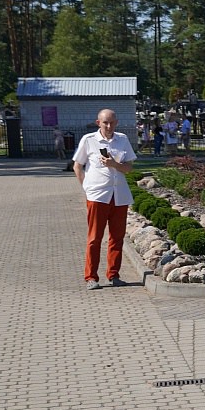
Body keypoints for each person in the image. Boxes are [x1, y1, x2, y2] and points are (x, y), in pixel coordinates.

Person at [72, 109, 136, 289]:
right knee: (95, 237)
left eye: (112, 122)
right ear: (98, 122)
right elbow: (78, 166)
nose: (109, 126)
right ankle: (91, 277)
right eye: (105, 122)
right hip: (97, 196)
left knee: (117, 237)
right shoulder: (89, 140)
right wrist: (86, 188)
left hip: (119, 195)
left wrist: (114, 165)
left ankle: (113, 275)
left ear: (116, 122)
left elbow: (129, 167)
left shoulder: (122, 139)